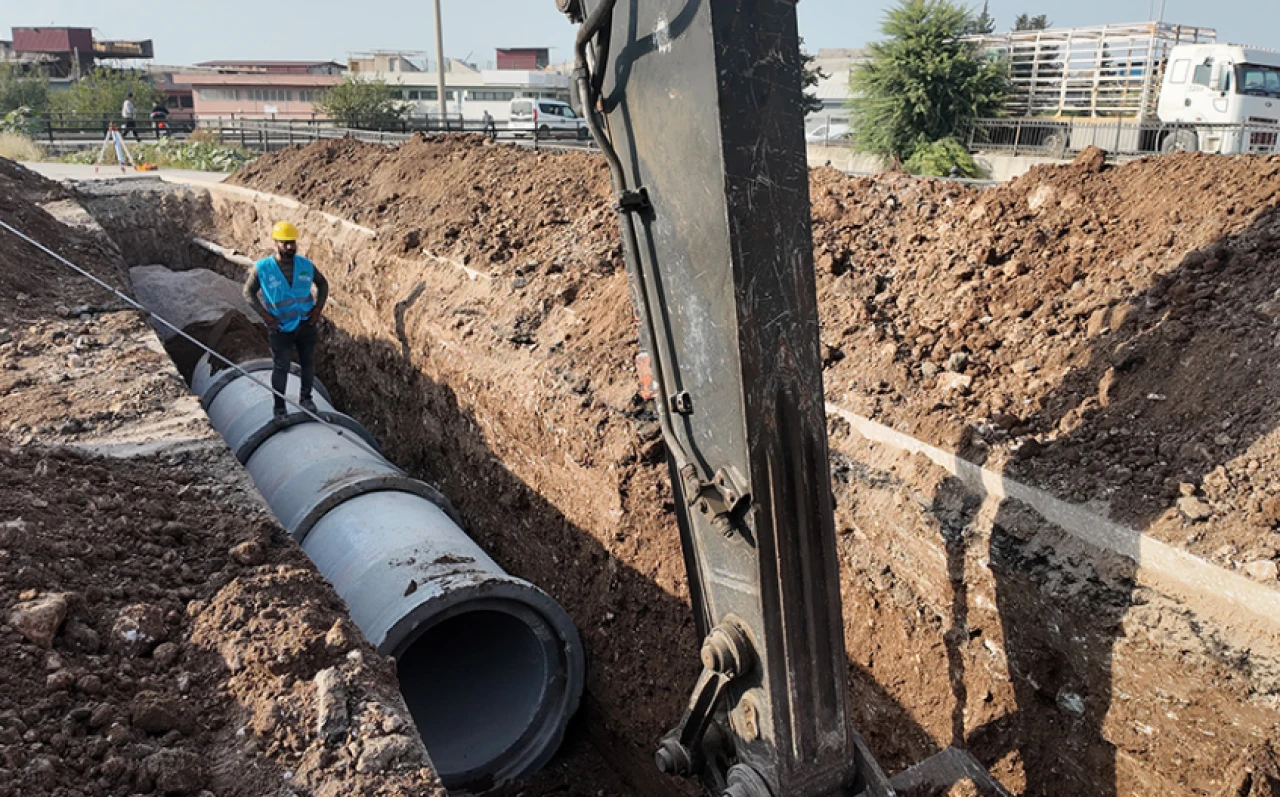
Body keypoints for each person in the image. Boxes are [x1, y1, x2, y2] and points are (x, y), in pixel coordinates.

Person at [242, 221, 329, 420]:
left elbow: (323, 284)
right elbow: (248, 292)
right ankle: (279, 408)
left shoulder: (305, 265)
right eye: (285, 243)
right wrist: (264, 315)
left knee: (308, 363)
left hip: (306, 323)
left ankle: (306, 399)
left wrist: (318, 309)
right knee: (281, 367)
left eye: (292, 243)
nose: (290, 247)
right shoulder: (263, 268)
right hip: (280, 327)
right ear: (276, 244)